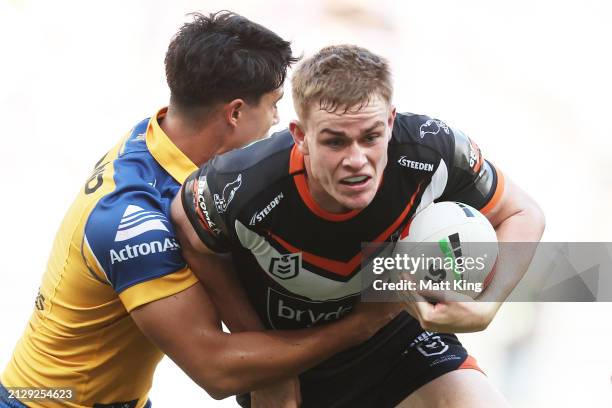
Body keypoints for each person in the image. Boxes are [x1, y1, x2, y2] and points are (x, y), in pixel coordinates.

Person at [0, 14, 402, 408]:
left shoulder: (160, 136)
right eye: (274, 105)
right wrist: (363, 324)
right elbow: (217, 371)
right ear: (236, 113)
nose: (279, 121)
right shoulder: (134, 220)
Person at [173, 44, 546, 407]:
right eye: (335, 141)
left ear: (390, 121)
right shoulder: (240, 184)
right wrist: (263, 364)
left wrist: (489, 301)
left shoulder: (432, 149)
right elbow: (192, 233)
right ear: (301, 136)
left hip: (397, 337)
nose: (357, 160)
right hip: (291, 361)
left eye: (371, 137)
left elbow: (523, 213)